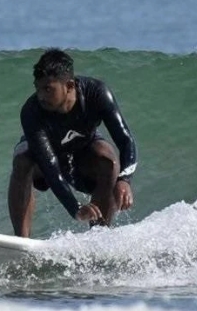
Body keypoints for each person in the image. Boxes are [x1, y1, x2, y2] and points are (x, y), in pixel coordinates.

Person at [8, 48, 137, 238]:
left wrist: (125, 180)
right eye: (38, 88)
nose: (41, 96)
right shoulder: (31, 111)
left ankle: (98, 238)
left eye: (48, 89)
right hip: (45, 160)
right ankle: (21, 242)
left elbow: (126, 140)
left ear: (69, 85)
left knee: (109, 160)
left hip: (82, 151)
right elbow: (49, 166)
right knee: (22, 159)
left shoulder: (97, 94)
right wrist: (75, 208)